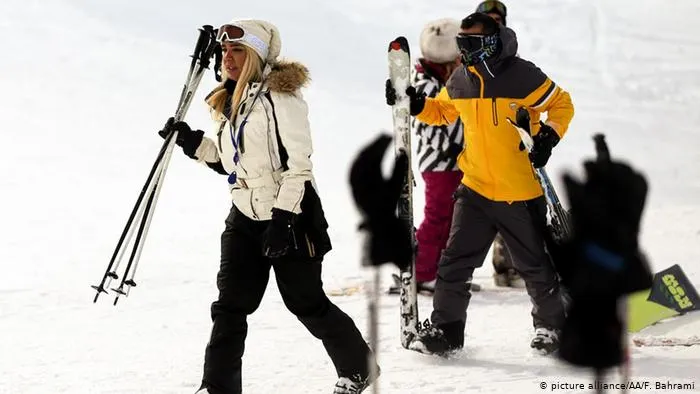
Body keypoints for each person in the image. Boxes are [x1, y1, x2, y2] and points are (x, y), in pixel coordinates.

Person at [158, 19, 377, 394]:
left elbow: (299, 168)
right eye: (225, 51)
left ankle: (359, 368)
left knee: (306, 303)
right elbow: (231, 164)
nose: (228, 58)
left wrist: (282, 220)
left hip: (292, 215)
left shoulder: (282, 98)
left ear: (257, 55)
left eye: (238, 50)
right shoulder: (230, 99)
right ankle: (217, 387)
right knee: (230, 307)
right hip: (244, 215)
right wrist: (192, 142)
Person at [386, 12, 574, 355]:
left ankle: (551, 327)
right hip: (474, 189)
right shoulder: (461, 78)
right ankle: (446, 331)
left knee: (534, 266)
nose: (464, 50)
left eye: (470, 43)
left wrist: (548, 135)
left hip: (518, 191)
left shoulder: (523, 75)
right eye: (461, 43)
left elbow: (562, 104)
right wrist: (415, 104)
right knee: (454, 263)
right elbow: (442, 112)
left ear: (490, 43)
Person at [473, 0, 525, 289]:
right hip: (474, 148)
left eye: (498, 18)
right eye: (488, 18)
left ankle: (508, 267)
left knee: (513, 207)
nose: (494, 23)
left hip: (507, 144)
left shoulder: (509, 55)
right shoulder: (468, 54)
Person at [410, 18, 464, 293]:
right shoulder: (426, 85)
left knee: (453, 219)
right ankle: (422, 271)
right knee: (438, 217)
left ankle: (440, 268)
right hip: (441, 165)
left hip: (455, 163)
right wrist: (451, 148)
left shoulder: (442, 80)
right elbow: (423, 125)